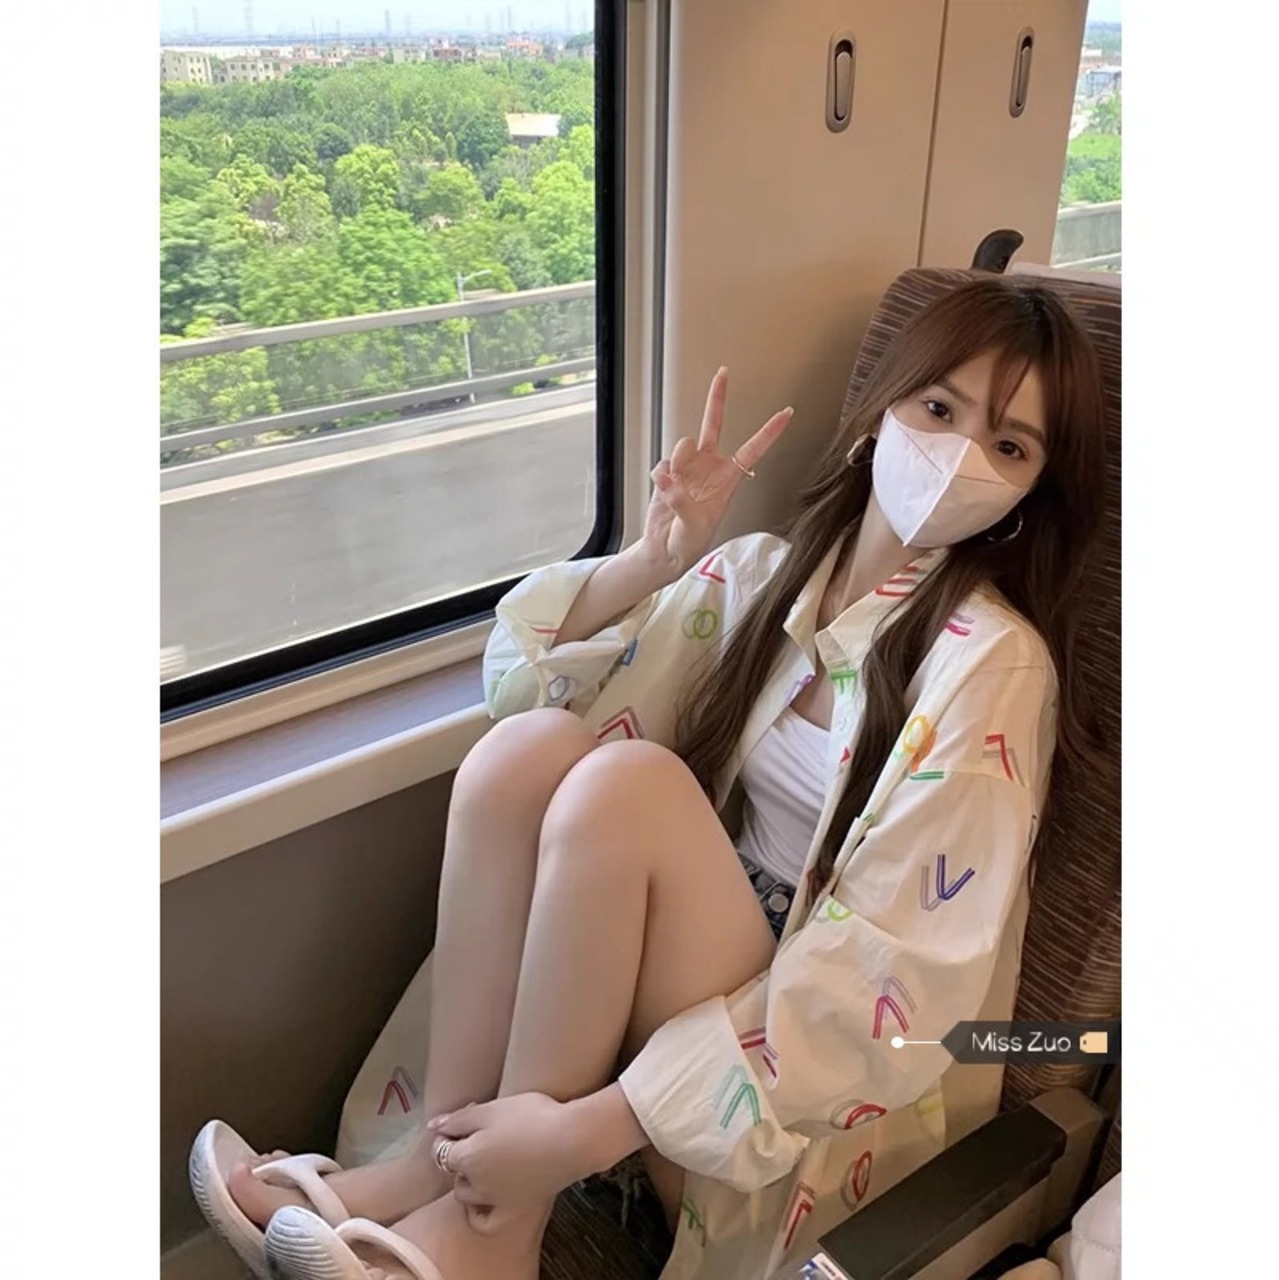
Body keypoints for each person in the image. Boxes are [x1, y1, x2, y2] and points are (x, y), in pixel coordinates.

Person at [190, 275, 1107, 1280]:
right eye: (939, 409)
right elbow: (521, 692)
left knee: (628, 788)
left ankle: (493, 1233)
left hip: (804, 1079)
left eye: (1008, 446)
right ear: (881, 410)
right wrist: (649, 560)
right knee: (526, 755)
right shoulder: (758, 576)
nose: (959, 457)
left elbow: (899, 984)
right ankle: (432, 1161)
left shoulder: (994, 665)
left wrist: (585, 1131)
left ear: (1028, 493)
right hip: (667, 971)